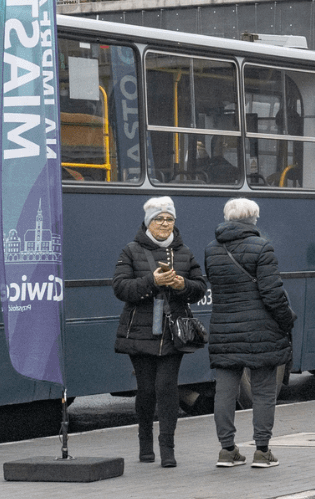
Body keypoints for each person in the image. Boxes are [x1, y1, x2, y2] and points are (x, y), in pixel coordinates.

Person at [113, 196, 209, 468]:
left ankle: (168, 449)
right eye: (159, 219)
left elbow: (200, 287)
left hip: (173, 332)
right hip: (139, 333)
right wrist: (152, 281)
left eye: (169, 219)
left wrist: (181, 285)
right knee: (146, 391)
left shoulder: (184, 252)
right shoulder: (130, 251)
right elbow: (120, 288)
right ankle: (145, 443)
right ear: (148, 222)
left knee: (167, 389)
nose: (165, 224)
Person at [203, 198, 296, 468]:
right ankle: (262, 451)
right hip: (261, 330)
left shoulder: (212, 249)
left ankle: (227, 450)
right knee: (264, 392)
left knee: (225, 392)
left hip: (224, 329)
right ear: (252, 218)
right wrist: (287, 320)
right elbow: (272, 294)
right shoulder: (262, 247)